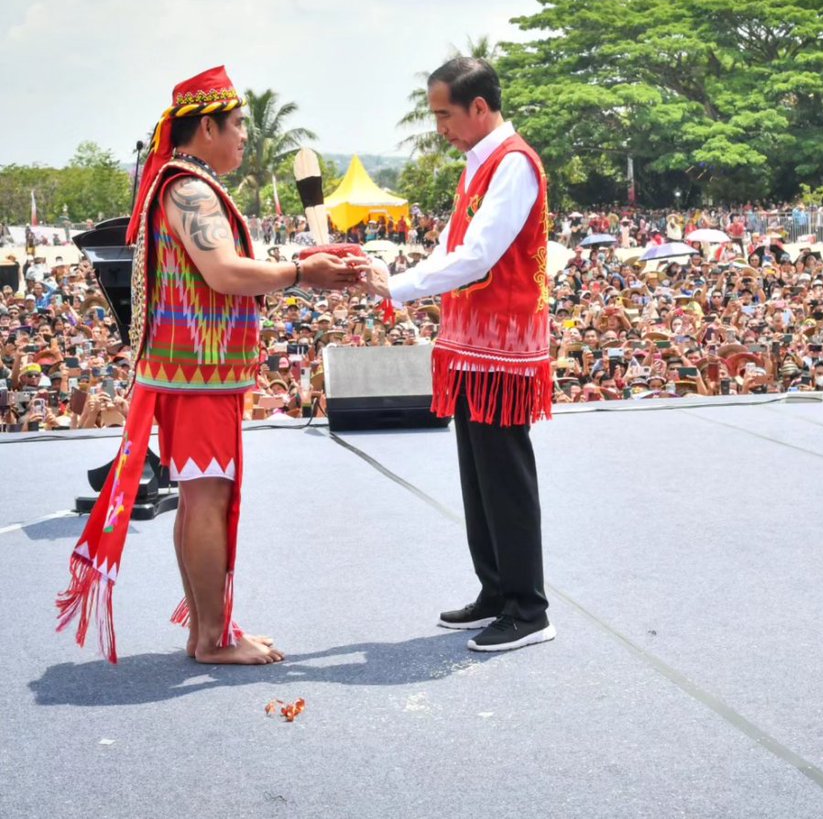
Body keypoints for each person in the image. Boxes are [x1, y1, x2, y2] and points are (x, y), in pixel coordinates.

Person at [56, 66, 361, 664]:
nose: (246, 134)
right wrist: (304, 273)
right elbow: (224, 274)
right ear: (206, 127)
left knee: (200, 497)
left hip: (193, 370)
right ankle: (216, 637)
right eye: (239, 123)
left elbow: (221, 271)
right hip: (196, 375)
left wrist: (301, 265)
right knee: (208, 497)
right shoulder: (190, 190)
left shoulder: (185, 185)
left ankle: (205, 629)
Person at [365, 57, 555, 653]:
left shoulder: (514, 164)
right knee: (478, 473)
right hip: (472, 339)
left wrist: (397, 284)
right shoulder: (478, 165)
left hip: (503, 344)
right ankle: (496, 589)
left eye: (445, 114)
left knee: (504, 474)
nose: (440, 127)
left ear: (479, 107)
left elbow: (478, 256)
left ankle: (529, 608)